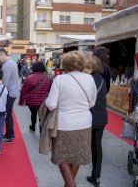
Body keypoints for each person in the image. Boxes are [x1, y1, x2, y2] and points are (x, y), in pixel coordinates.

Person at [45, 51, 97, 187]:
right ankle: (70, 184)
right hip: (85, 123)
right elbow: (92, 103)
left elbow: (51, 105)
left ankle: (71, 184)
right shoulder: (89, 78)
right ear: (81, 64)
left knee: (61, 156)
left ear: (65, 64)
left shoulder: (60, 79)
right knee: (77, 155)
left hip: (64, 124)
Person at [84, 56, 108, 187]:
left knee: (81, 144)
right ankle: (96, 176)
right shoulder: (103, 80)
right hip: (101, 117)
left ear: (90, 67)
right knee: (97, 147)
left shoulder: (87, 79)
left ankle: (71, 174)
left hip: (88, 117)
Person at [0, 48, 20, 143]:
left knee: (7, 115)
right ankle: (10, 134)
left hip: (10, 92)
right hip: (12, 92)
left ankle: (10, 135)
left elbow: (4, 82)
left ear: (2, 54)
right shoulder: (11, 63)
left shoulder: (7, 65)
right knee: (8, 114)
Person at [19, 62, 51, 133]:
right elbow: (49, 90)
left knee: (33, 114)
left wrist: (21, 102)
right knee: (41, 117)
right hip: (42, 102)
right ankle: (41, 132)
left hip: (32, 101)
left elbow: (24, 91)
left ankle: (33, 127)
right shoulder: (47, 78)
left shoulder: (29, 78)